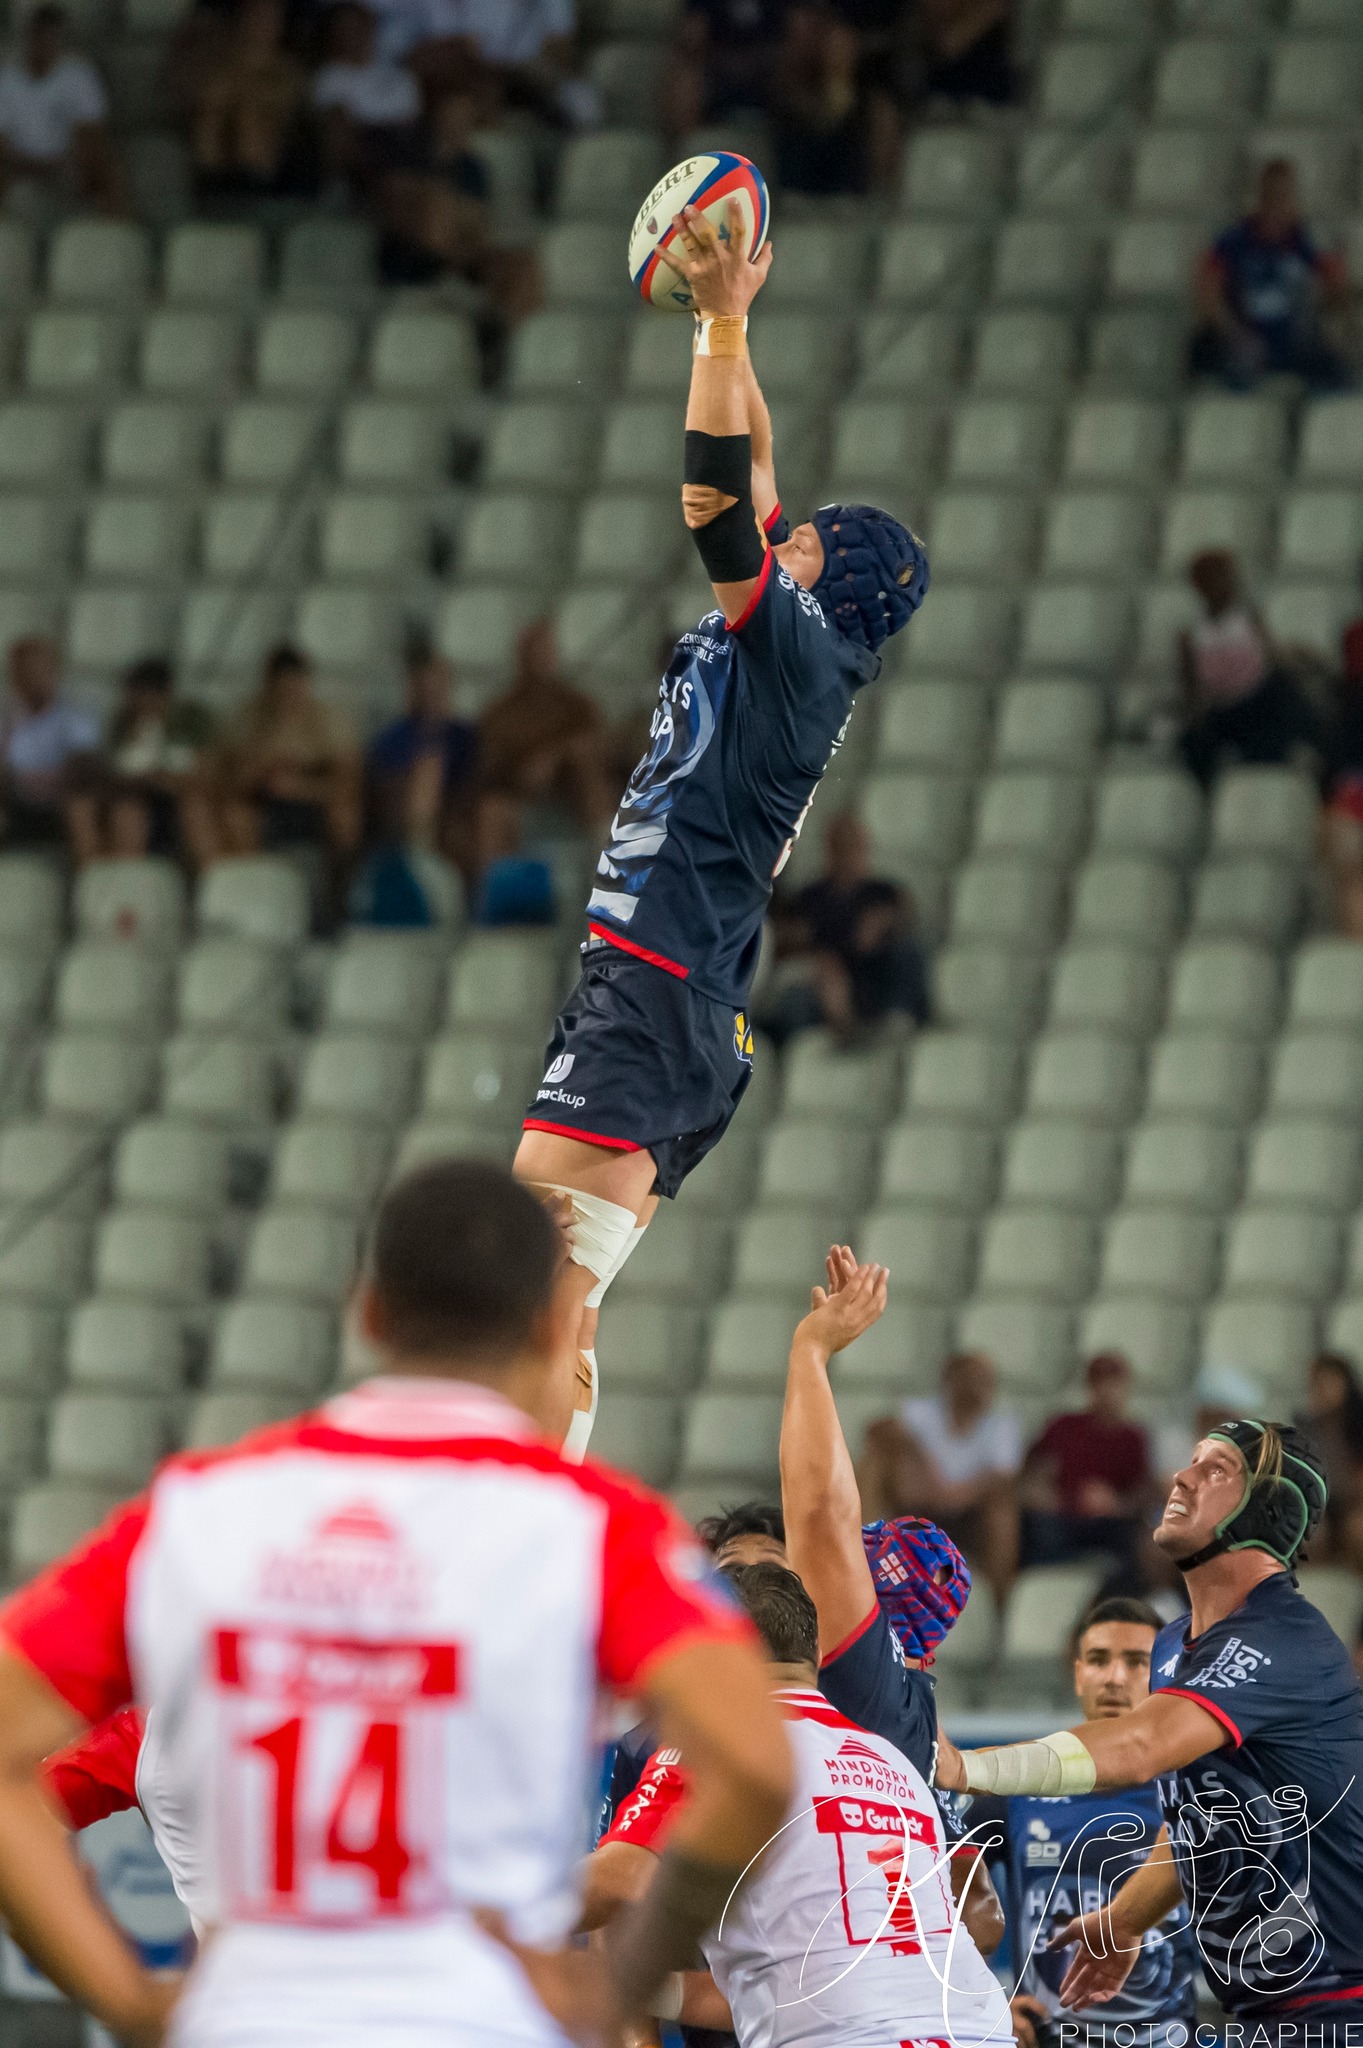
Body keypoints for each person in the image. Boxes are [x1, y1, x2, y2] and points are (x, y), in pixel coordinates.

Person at [0, 1158, 793, 2047]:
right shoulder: (592, 1528)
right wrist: (618, 1987)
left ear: (368, 1312)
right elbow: (758, 1765)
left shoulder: (195, 1513)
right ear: (542, 1326)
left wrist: (132, 2003)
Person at [513, 198, 929, 1458]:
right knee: (548, 1297)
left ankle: (529, 1535)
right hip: (669, 993)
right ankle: (538, 1519)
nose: (784, 524)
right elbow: (749, 469)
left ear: (826, 577)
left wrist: (723, 328)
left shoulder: (795, 651)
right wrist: (721, 321)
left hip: (657, 987)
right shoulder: (797, 650)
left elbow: (714, 500)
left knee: (538, 1291)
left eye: (803, 536)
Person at [935, 1421, 1363, 2048]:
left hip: (1342, 2005)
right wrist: (1127, 1919)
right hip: (1273, 2016)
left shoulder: (1285, 1640)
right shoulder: (1173, 1645)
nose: (1180, 1477)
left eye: (1214, 1469)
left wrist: (970, 1768)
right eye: (1190, 1460)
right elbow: (1201, 1819)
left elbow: (1140, 1750)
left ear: (1271, 1509)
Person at [581, 1560, 1012, 2048]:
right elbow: (822, 1974)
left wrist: (485, 1913)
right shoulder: (892, 1762)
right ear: (818, 1654)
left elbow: (620, 1880)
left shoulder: (729, 1743)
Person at [969, 1597, 1196, 2048]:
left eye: (1136, 1662)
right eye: (1098, 1660)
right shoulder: (1017, 1792)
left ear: (1165, 1675)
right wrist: (980, 2001)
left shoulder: (1192, 1792)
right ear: (1078, 1675)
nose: (1114, 1677)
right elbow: (929, 1900)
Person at [860, 1349, 1021, 1604]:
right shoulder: (921, 1412)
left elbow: (1001, 1478)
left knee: (1002, 1511)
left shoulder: (1000, 1425)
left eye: (984, 1381)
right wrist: (921, 1460)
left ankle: (1000, 1601)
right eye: (971, 1379)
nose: (978, 1388)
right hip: (917, 1506)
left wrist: (954, 1496)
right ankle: (865, 1556)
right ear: (952, 1380)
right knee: (875, 1464)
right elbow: (876, 1431)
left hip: (969, 1516)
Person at [763, 809, 930, 1047]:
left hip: (873, 979)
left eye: (856, 847)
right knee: (794, 1001)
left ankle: (897, 1020)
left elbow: (905, 918)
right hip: (824, 985)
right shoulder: (811, 896)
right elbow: (789, 937)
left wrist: (883, 922)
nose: (850, 855)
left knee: (909, 953)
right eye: (842, 848)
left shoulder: (883, 892)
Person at [1189, 158, 1353, 394]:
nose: (1279, 204)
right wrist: (1236, 335)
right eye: (1272, 195)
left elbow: (1336, 292)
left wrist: (1336, 276)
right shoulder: (1235, 240)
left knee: (1339, 375)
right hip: (1245, 341)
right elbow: (1207, 290)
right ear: (1261, 197)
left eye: (1285, 196)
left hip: (1293, 343)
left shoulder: (1306, 241)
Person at [197, 644, 362, 871]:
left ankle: (339, 893)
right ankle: (251, 885)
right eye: (280, 687)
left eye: (294, 685)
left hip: (316, 803)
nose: (288, 694)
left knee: (345, 818)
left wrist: (302, 787)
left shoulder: (329, 720)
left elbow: (348, 779)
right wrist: (257, 777)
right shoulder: (247, 719)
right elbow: (227, 774)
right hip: (263, 804)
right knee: (235, 817)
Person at [1176, 547, 1318, 790]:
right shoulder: (1190, 637)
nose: (1226, 584)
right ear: (1200, 586)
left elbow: (1275, 658)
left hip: (1261, 703)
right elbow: (1192, 692)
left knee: (1290, 701)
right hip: (1225, 712)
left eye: (1227, 576)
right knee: (1193, 743)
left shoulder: (1249, 619)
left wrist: (1304, 657)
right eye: (1217, 578)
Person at [1019, 1353, 1154, 1589]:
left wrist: (1116, 1504)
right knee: (1037, 1528)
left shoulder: (1133, 1437)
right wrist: (1048, 1496)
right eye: (1100, 1383)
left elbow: (1143, 1492)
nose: (1108, 1391)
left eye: (1114, 1383)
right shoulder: (1063, 1426)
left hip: (1110, 1522)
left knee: (1133, 1539)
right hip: (1061, 1516)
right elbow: (1031, 1473)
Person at [66, 658, 215, 866]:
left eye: (150, 697)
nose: (143, 704)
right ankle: (100, 878)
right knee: (125, 813)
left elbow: (206, 766)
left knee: (196, 808)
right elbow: (114, 771)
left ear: (166, 695)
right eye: (137, 696)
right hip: (137, 797)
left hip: (182, 795)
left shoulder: (192, 719)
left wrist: (168, 780)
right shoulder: (121, 723)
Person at [477, 620, 614, 841]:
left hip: (572, 790)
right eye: (533, 653)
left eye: (545, 652)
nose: (539, 660)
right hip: (519, 792)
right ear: (521, 658)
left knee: (587, 766)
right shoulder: (501, 711)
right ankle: (495, 875)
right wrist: (524, 769)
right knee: (490, 810)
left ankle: (605, 846)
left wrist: (555, 756)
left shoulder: (577, 705)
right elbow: (490, 762)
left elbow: (598, 741)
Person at [0, 4, 124, 214]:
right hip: (18, 163)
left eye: (49, 36)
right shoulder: (8, 78)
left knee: (108, 166)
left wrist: (65, 162)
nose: (42, 43)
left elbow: (90, 132)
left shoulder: (79, 74)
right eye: (37, 35)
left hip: (68, 160)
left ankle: (116, 234)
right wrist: (25, 163)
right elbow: (2, 140)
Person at [183, 0, 306, 204]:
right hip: (219, 164)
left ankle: (253, 192)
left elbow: (288, 103)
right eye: (255, 17)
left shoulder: (290, 70)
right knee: (214, 115)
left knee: (250, 113)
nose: (261, 25)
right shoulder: (219, 66)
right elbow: (209, 99)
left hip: (277, 164)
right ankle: (216, 198)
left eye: (269, 18)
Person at [366, 646, 478, 864]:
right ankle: (417, 859)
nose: (431, 695)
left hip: (454, 811)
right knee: (426, 774)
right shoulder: (393, 737)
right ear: (414, 688)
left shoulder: (464, 736)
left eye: (437, 687)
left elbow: (474, 779)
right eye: (425, 686)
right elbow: (384, 786)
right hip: (402, 817)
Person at [312, 0, 424, 203]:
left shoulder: (401, 78)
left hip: (398, 157)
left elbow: (409, 127)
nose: (354, 34)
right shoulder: (329, 78)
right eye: (346, 28)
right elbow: (337, 130)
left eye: (359, 27)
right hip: (359, 165)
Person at [0, 634, 100, 849]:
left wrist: (46, 783)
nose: (32, 677)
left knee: (80, 806)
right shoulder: (7, 719)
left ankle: (90, 875)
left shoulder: (76, 716)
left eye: (39, 669)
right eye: (24, 671)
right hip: (15, 801)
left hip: (61, 802)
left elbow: (83, 769)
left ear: (55, 672)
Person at [1295, 1350, 1363, 1570]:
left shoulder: (1357, 1428)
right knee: (1309, 1533)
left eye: (1329, 1382)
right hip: (1321, 1509)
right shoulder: (1303, 1430)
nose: (1322, 1389)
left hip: (1353, 1506)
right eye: (1317, 1383)